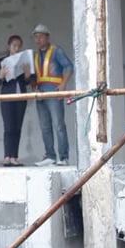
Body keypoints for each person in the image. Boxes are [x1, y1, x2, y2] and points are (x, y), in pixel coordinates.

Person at [31, 24, 74, 167]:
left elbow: (69, 66)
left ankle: (63, 156)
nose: (38, 39)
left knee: (58, 125)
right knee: (45, 126)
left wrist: (63, 85)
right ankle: (49, 155)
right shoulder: (36, 56)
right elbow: (34, 76)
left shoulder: (56, 51)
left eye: (41, 36)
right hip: (41, 93)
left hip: (54, 91)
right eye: (36, 37)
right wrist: (34, 88)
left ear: (47, 37)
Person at [0, 35, 32, 167]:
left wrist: (27, 74)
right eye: (14, 45)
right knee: (9, 127)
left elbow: (28, 81)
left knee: (17, 127)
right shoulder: (2, 61)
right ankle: (7, 156)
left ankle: (14, 157)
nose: (16, 48)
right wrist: (1, 75)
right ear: (9, 46)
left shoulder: (24, 60)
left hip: (20, 97)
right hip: (7, 97)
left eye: (19, 46)